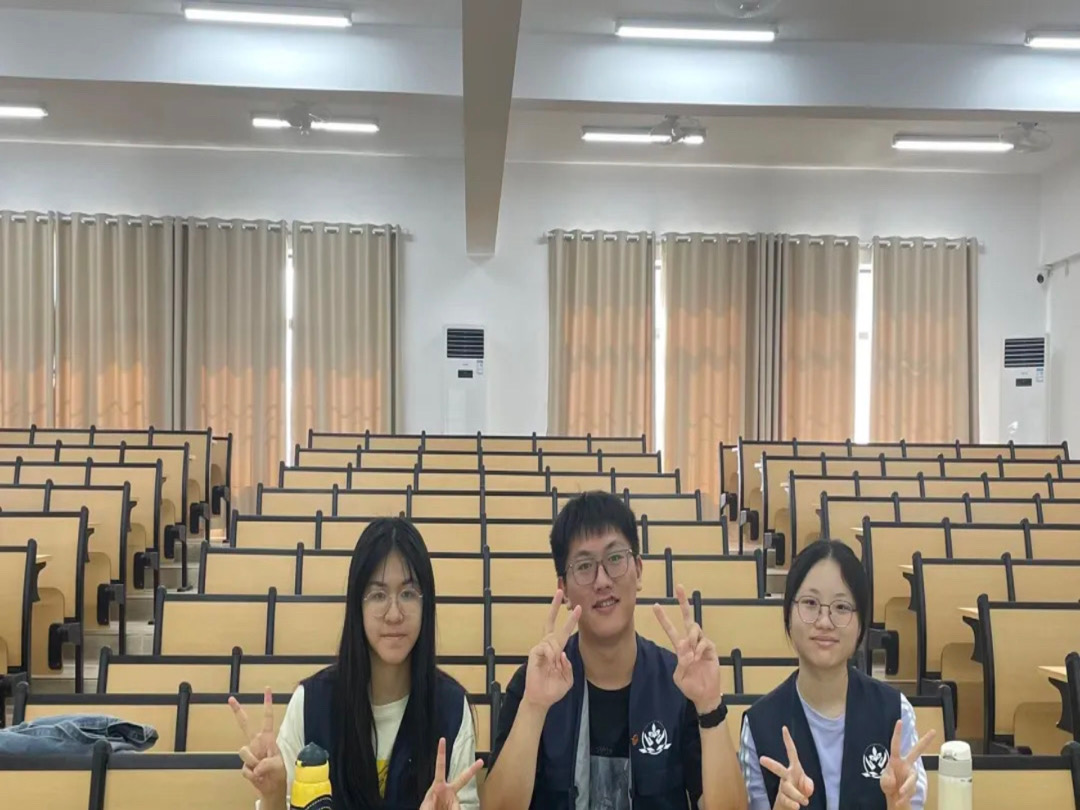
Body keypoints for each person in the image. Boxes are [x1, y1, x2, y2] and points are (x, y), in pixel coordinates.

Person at [482, 491, 747, 810]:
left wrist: (709, 705)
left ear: (639, 570)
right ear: (563, 588)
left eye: (615, 559)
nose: (602, 580)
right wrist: (534, 707)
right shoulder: (533, 685)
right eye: (584, 566)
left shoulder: (680, 685)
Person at [230, 518, 484, 810]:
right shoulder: (310, 704)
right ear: (357, 605)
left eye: (408, 594)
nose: (394, 614)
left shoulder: (451, 708)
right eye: (378, 595)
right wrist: (273, 797)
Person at [738, 540, 936, 810]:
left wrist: (897, 805)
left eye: (841, 607)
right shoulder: (759, 725)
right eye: (810, 603)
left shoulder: (894, 713)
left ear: (861, 624)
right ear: (788, 615)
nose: (824, 621)